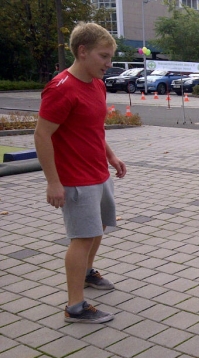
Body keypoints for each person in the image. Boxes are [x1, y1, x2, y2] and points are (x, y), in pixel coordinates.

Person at [34, 22, 126, 324]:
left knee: (97, 229)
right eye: (104, 56)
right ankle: (75, 306)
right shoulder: (61, 89)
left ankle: (86, 273)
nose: (109, 64)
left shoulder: (96, 84)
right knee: (82, 237)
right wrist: (53, 182)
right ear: (82, 52)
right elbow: (42, 135)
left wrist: (110, 156)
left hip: (98, 172)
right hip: (75, 179)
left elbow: (94, 129)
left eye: (110, 57)